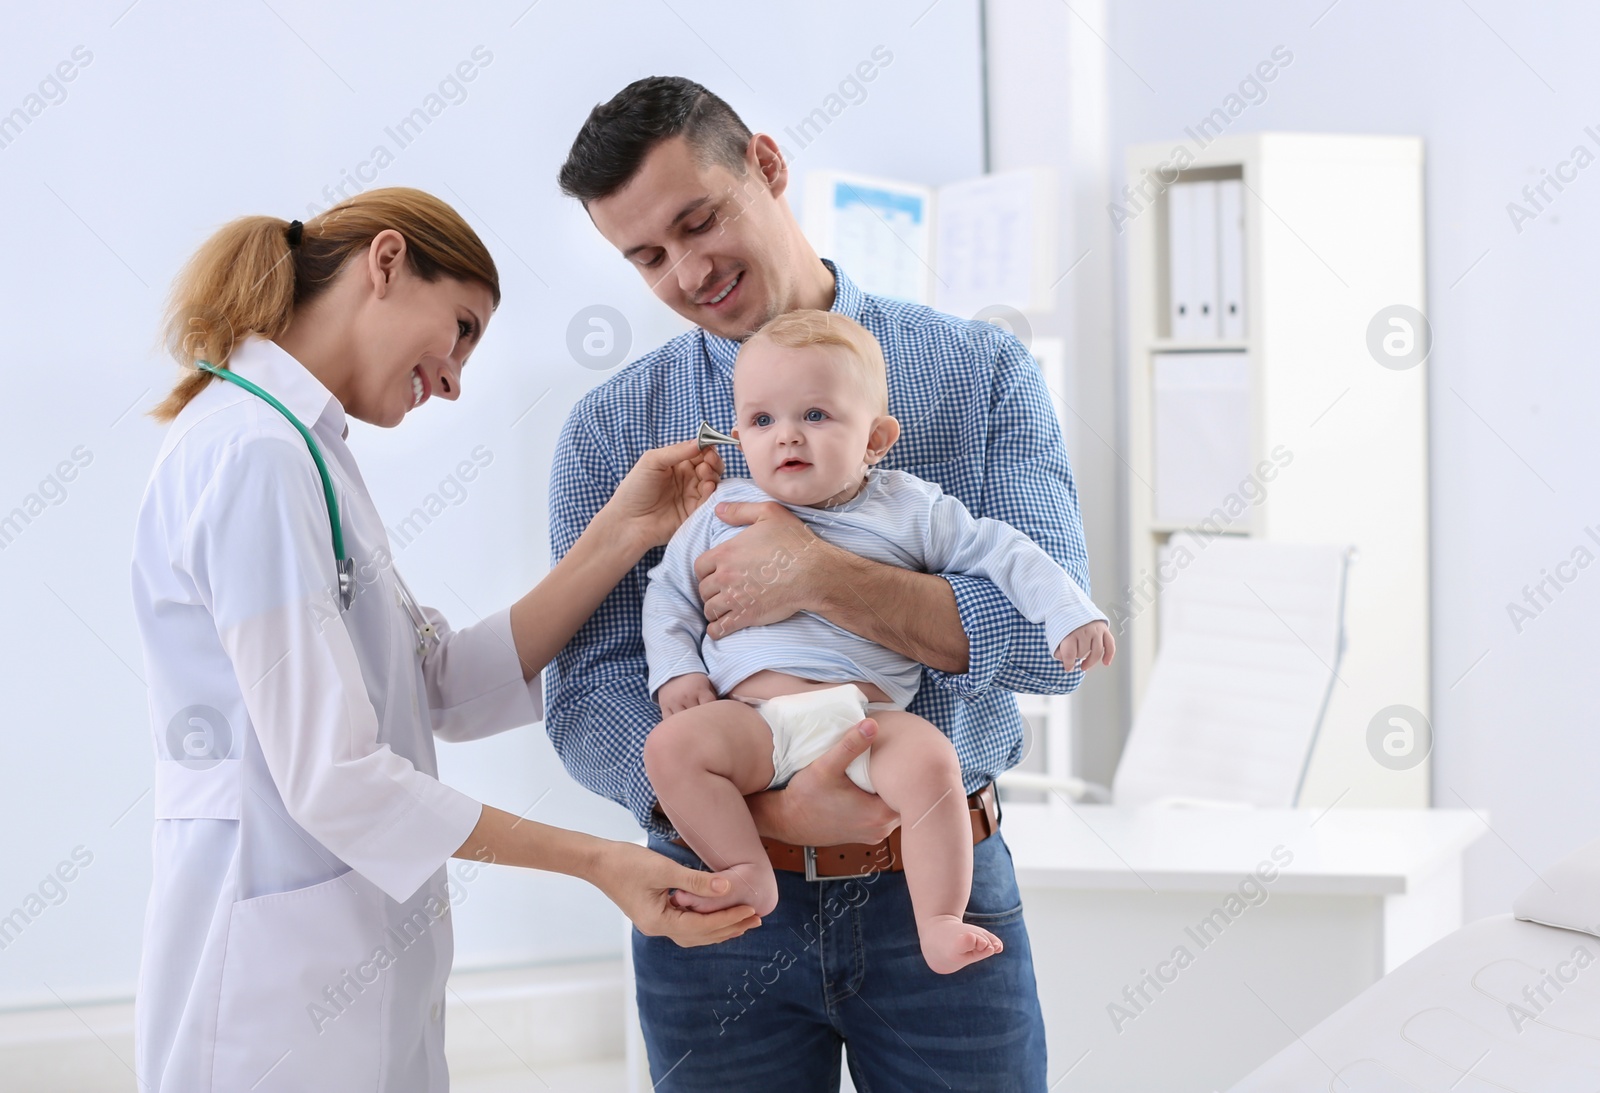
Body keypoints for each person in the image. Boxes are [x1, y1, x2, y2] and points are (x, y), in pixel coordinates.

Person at [130, 186, 758, 1093]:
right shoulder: (253, 455)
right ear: (385, 262)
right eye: (461, 328)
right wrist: (598, 861)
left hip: (345, 965)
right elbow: (335, 776)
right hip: (270, 1002)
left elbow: (437, 681)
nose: (457, 376)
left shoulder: (306, 453)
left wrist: (626, 529)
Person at [548, 77, 1099, 1090]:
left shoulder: (978, 376)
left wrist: (821, 576)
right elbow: (588, 690)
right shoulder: (612, 431)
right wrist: (769, 808)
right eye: (647, 257)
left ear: (766, 164)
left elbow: (1043, 647)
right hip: (716, 900)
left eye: (699, 219)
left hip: (938, 887)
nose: (689, 270)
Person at [641, 309, 1115, 975]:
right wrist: (675, 672)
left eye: (815, 415)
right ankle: (746, 869)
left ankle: (941, 919)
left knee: (932, 765)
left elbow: (1006, 550)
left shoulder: (908, 508)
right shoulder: (720, 513)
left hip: (868, 722)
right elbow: (668, 596)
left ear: (877, 438)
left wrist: (1069, 613)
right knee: (670, 747)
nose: (786, 437)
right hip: (753, 723)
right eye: (761, 420)